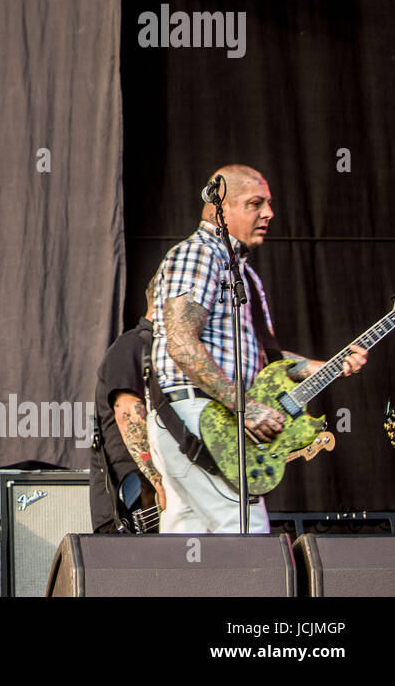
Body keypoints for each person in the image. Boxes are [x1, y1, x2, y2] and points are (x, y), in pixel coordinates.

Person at [147, 165, 366, 533]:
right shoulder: (199, 254)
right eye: (255, 203)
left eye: (269, 203)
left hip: (208, 417)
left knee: (188, 546)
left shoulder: (240, 272)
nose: (269, 213)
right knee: (245, 534)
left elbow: (268, 366)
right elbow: (182, 345)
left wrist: (321, 366)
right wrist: (245, 408)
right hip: (200, 415)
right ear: (221, 208)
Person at [89, 277, 167, 533]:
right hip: (133, 508)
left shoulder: (168, 354)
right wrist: (159, 482)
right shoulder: (134, 344)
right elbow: (128, 415)